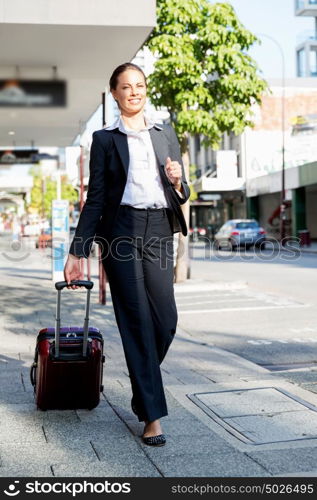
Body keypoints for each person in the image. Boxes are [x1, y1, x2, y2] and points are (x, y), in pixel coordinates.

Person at [64, 62, 190, 446]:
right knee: (135, 321)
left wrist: (177, 181)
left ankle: (141, 390)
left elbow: (182, 191)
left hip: (158, 230)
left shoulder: (164, 132)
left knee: (165, 320)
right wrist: (77, 251)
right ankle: (153, 417)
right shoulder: (104, 140)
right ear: (114, 94)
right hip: (119, 232)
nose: (134, 91)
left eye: (140, 85)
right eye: (126, 86)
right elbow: (96, 198)